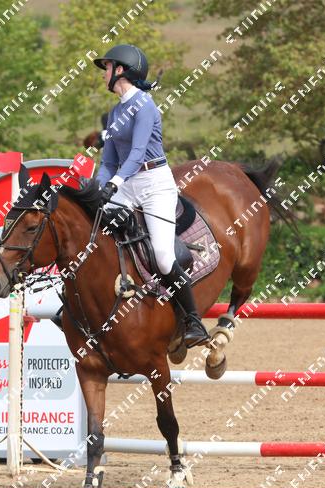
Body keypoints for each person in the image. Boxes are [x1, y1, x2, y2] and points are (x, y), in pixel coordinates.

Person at [92, 44, 209, 348]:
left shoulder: (144, 105)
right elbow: (108, 161)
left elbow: (137, 152)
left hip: (154, 183)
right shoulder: (115, 113)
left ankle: (193, 320)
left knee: (163, 256)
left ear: (121, 70)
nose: (103, 73)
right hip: (126, 183)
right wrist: (101, 187)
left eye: (107, 67)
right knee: (94, 232)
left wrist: (114, 183)